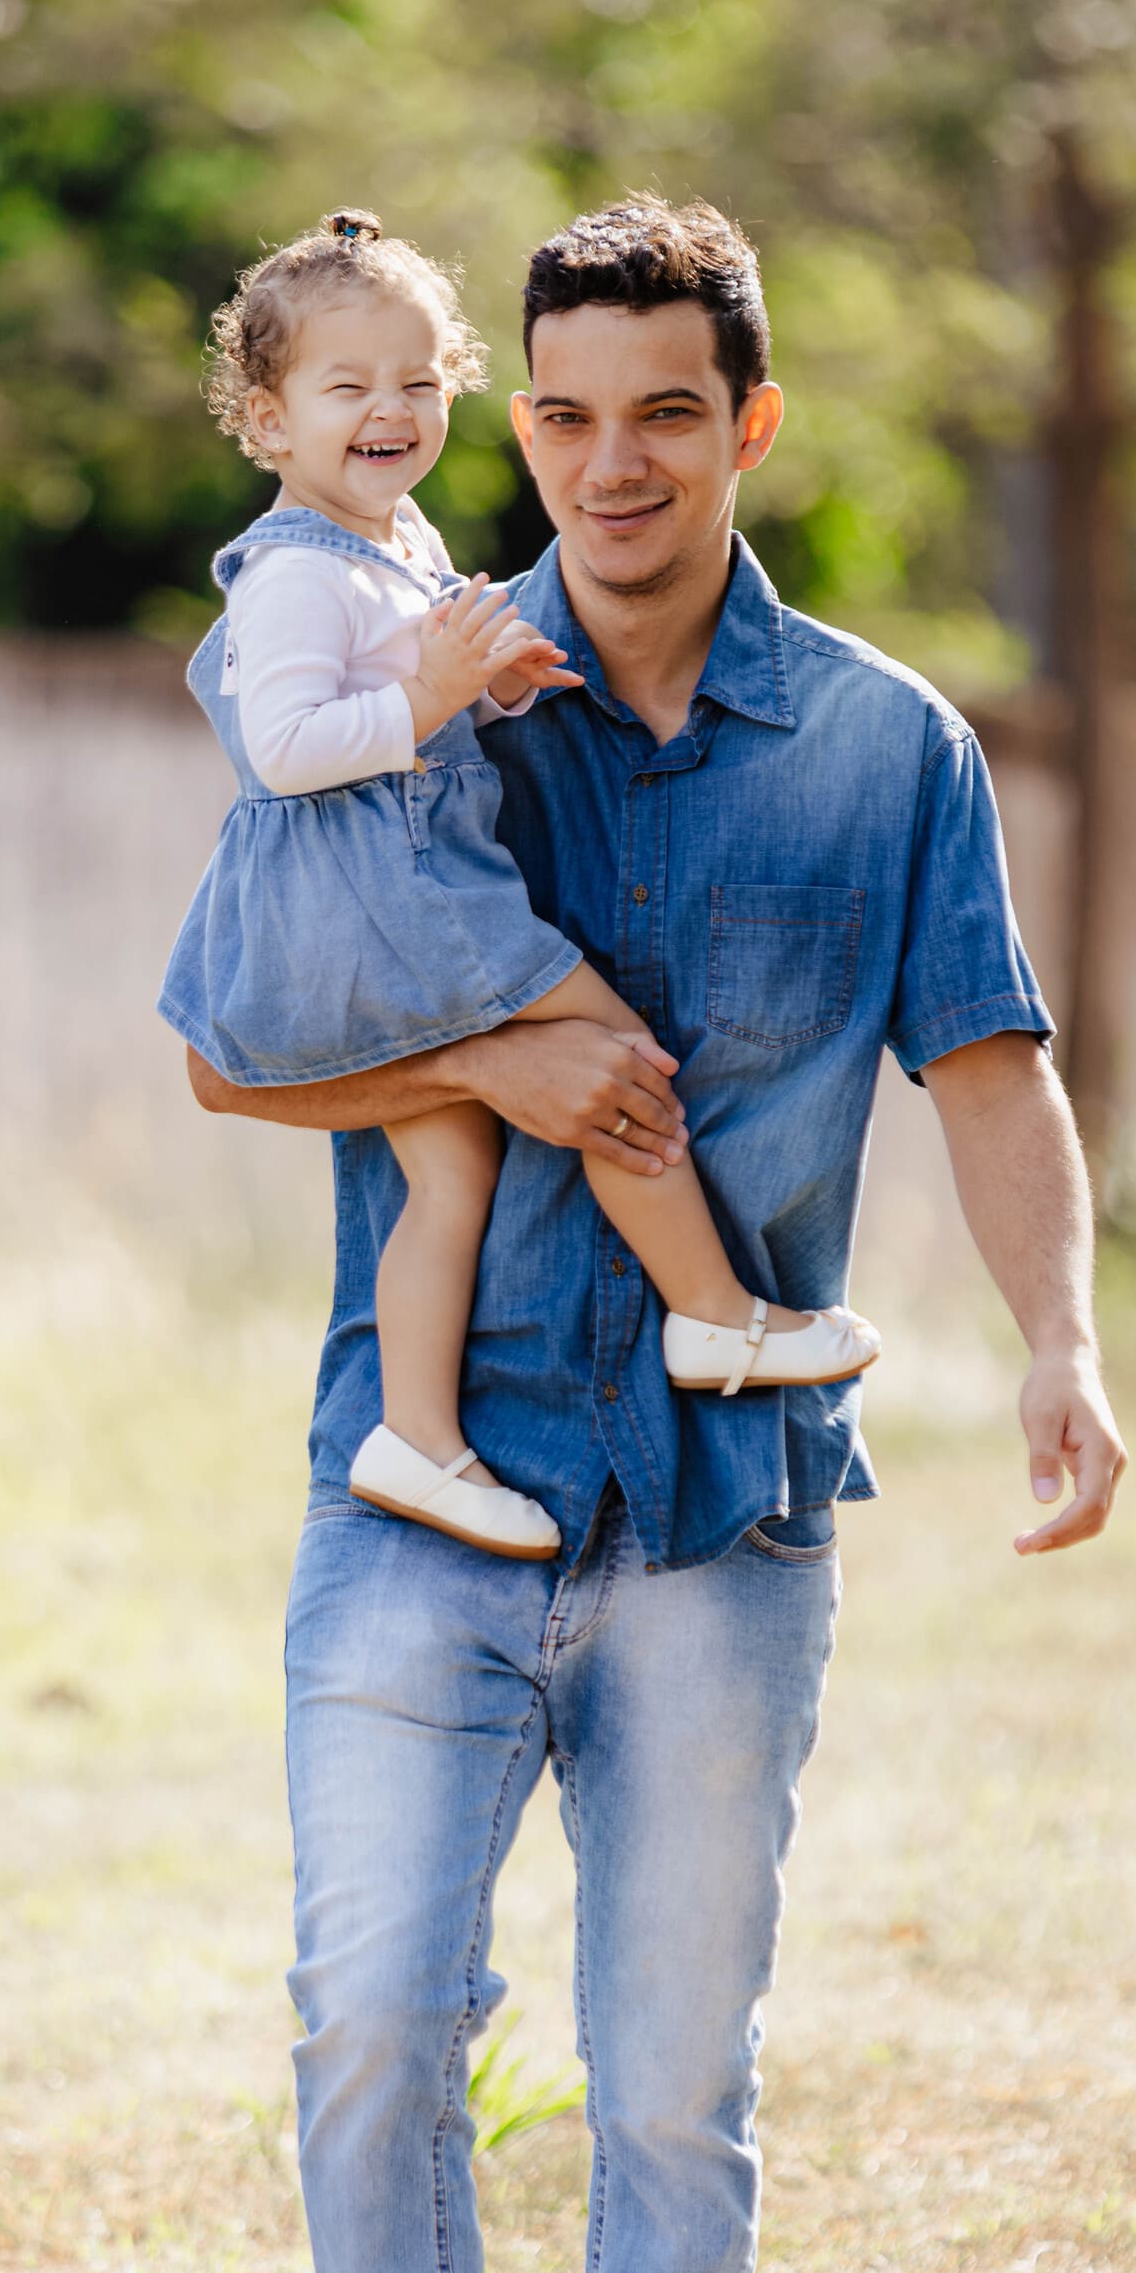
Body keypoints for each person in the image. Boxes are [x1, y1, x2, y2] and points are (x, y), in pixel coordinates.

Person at [184, 194, 1127, 2273]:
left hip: (730, 1513)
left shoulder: (883, 748)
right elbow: (229, 1047)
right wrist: (488, 1069)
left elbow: (986, 1057)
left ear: (749, 426)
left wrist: (1057, 1336)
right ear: (521, 427)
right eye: (565, 416)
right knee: (373, 2025)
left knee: (674, 2076)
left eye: (664, 415)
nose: (609, 465)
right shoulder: (416, 679)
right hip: (427, 1491)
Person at [160, 208, 876, 1565]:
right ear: (267, 423)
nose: (394, 412)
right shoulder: (294, 574)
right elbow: (289, 749)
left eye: (421, 382)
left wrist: (477, 688)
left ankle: (415, 1437)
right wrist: (432, 692)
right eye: (348, 387)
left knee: (452, 1171)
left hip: (412, 884)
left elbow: (402, 708)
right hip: (411, 904)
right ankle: (714, 1306)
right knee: (610, 1052)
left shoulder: (394, 539)